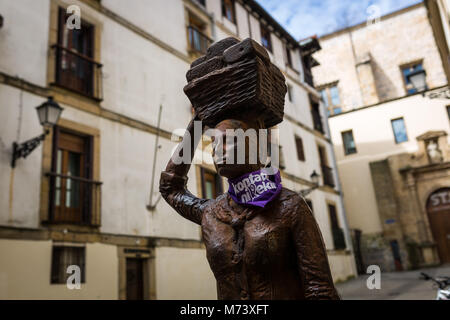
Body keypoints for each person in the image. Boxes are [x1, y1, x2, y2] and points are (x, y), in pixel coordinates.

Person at [159, 114, 340, 300]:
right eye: (214, 143)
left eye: (228, 141)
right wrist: (196, 126)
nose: (217, 151)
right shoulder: (212, 212)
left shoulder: (290, 206)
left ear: (255, 146)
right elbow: (171, 189)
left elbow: (320, 290)